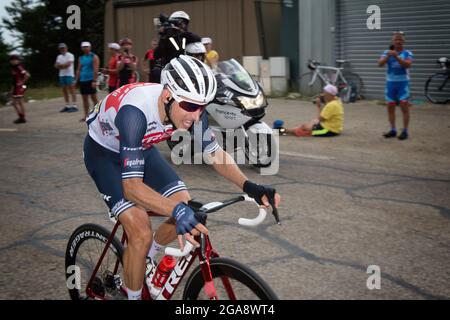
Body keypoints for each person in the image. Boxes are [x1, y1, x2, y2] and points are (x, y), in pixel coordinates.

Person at [83, 55, 280, 300]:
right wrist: (175, 211)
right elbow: (132, 188)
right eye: (190, 106)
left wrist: (249, 185)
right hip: (104, 154)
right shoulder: (134, 114)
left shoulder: (191, 109)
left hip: (141, 147)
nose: (196, 116)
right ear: (168, 97)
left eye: (202, 107)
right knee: (140, 230)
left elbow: (215, 155)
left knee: (187, 207)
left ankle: (146, 259)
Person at [378, 31, 413, 140]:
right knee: (390, 107)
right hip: (390, 83)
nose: (398, 41)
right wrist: (388, 56)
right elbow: (379, 64)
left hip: (403, 83)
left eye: (400, 39)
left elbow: (407, 65)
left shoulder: (408, 53)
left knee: (404, 107)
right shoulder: (386, 52)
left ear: (403, 41)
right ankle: (393, 130)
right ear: (392, 41)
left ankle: (405, 131)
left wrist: (397, 57)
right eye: (396, 39)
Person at [274, 84, 344, 137]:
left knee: (302, 129)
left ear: (330, 94)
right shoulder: (337, 101)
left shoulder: (331, 105)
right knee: (305, 125)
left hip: (328, 130)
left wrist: (318, 106)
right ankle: (283, 130)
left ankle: (281, 131)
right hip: (334, 127)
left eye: (324, 92)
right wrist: (312, 123)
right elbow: (323, 117)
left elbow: (320, 119)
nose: (322, 94)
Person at [152, 11, 201, 82]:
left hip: (183, 69)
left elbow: (198, 38)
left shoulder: (185, 36)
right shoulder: (166, 36)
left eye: (185, 23)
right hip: (169, 70)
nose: (184, 25)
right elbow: (156, 55)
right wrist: (164, 36)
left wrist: (182, 32)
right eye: (181, 23)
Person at [75, 41, 99, 121]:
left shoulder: (94, 56)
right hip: (83, 80)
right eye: (84, 47)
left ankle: (98, 115)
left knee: (94, 98)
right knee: (84, 99)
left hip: (91, 80)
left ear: (90, 47)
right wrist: (76, 80)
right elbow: (78, 69)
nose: (85, 48)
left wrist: (94, 80)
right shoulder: (81, 58)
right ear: (82, 48)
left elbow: (96, 69)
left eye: (87, 47)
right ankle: (86, 116)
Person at [55, 43, 77, 113]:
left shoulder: (70, 55)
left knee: (72, 90)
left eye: (63, 48)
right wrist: (62, 66)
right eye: (61, 48)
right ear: (59, 49)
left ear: (66, 48)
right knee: (64, 90)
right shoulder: (59, 56)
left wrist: (60, 66)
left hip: (69, 74)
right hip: (62, 75)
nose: (62, 49)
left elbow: (68, 64)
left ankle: (74, 105)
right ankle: (67, 105)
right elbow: (55, 65)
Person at [9, 54, 30, 124]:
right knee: (14, 103)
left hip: (19, 87)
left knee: (19, 102)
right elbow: (13, 79)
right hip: (15, 87)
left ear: (18, 61)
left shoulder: (19, 67)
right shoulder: (13, 68)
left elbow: (27, 75)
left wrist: (21, 83)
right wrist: (12, 89)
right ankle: (21, 117)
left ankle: (22, 117)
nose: (13, 61)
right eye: (12, 60)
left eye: (15, 60)